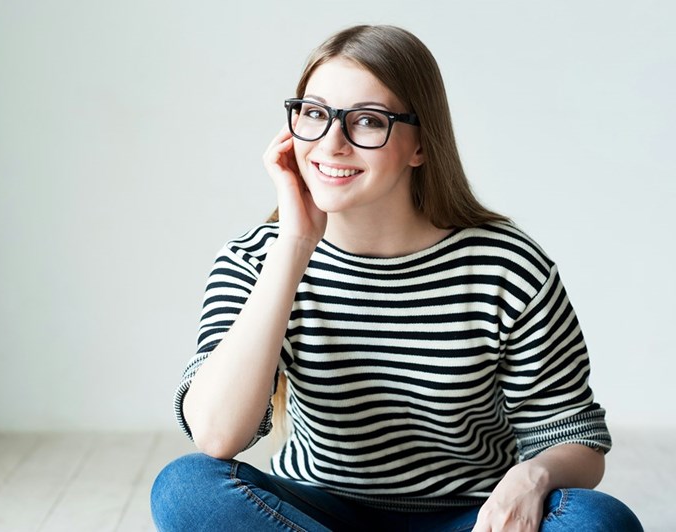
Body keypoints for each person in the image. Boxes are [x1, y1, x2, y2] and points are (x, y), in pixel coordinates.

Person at [150, 24, 642, 531]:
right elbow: (215, 435)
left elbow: (574, 437)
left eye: (367, 121)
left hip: (470, 517)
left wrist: (532, 476)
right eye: (315, 114)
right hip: (316, 512)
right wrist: (293, 248)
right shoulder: (255, 259)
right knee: (187, 489)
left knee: (597, 521)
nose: (332, 143)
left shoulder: (505, 266)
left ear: (420, 146)